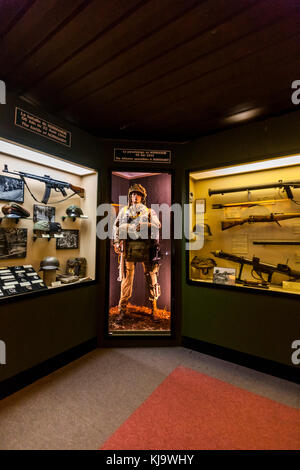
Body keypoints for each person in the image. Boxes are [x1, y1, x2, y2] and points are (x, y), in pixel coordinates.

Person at [112, 183, 161, 322]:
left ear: (142, 197)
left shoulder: (150, 212)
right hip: (129, 248)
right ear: (130, 196)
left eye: (138, 194)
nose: (135, 196)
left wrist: (146, 225)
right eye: (133, 194)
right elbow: (116, 227)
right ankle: (123, 308)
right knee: (127, 279)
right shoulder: (124, 211)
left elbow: (158, 225)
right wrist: (116, 242)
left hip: (147, 248)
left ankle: (154, 308)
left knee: (152, 277)